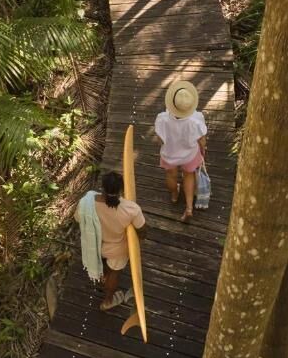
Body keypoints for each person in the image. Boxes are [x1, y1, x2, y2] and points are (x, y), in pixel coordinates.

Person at [75, 172, 146, 311]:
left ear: (102, 187)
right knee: (115, 273)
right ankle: (108, 301)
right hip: (117, 250)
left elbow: (78, 218)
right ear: (121, 190)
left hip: (96, 244)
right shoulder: (131, 209)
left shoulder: (87, 201)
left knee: (105, 262)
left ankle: (103, 276)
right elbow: (142, 231)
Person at [155, 80, 207, 222]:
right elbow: (202, 140)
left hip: (170, 154)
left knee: (171, 176)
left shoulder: (162, 119)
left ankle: (174, 195)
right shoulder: (196, 119)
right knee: (189, 176)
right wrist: (203, 151)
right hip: (189, 155)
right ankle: (189, 208)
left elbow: (160, 140)